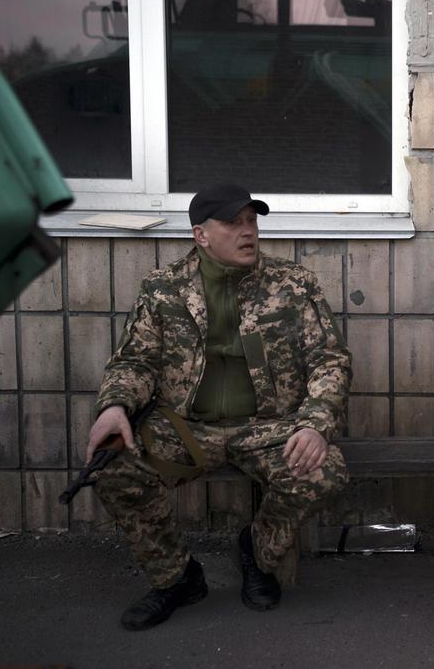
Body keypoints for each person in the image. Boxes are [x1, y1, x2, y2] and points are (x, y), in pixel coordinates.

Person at [86, 183, 351, 630]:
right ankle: (176, 578)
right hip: (186, 426)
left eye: (252, 220)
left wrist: (315, 424)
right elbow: (136, 360)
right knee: (112, 467)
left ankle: (258, 552)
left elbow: (330, 360)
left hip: (268, 428)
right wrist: (114, 406)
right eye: (233, 223)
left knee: (323, 471)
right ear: (201, 235)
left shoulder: (293, 285)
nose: (248, 232)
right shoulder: (163, 289)